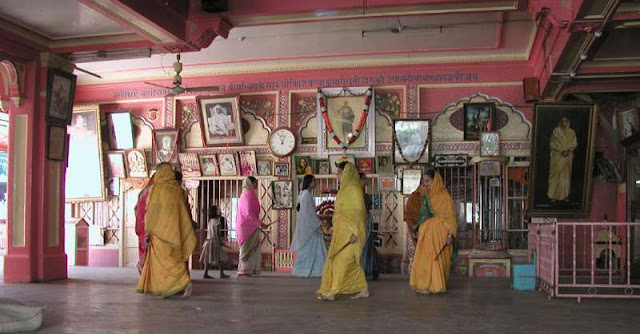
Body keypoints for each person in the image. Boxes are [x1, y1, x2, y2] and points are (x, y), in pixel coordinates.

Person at [137, 163, 197, 298]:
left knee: (161, 264)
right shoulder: (178, 191)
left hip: (158, 235)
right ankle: (176, 286)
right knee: (174, 261)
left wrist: (147, 232)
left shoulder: (153, 190)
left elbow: (150, 213)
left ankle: (169, 287)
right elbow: (184, 214)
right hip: (174, 234)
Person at [316, 161, 369, 300]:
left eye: (339, 172)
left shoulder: (354, 190)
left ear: (347, 173)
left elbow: (358, 215)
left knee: (341, 261)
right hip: (340, 234)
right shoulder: (343, 190)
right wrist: (334, 228)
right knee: (343, 261)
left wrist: (355, 234)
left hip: (352, 234)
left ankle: (333, 292)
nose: (337, 175)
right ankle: (363, 288)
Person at [404, 168, 457, 294]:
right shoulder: (426, 196)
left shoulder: (444, 196)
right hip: (426, 232)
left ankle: (435, 285)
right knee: (424, 258)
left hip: (440, 233)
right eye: (424, 181)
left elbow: (450, 217)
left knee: (435, 258)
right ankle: (424, 285)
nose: (426, 184)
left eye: (428, 181)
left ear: (436, 181)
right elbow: (421, 214)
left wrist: (450, 235)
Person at [291, 175, 327, 277]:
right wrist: (318, 222)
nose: (316, 183)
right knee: (311, 250)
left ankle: (308, 270)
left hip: (307, 226)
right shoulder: (307, 195)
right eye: (314, 181)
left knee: (309, 250)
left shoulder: (303, 194)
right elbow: (309, 213)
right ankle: (310, 271)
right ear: (309, 182)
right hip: (310, 228)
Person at [236, 176, 267, 276]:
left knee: (253, 247)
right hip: (246, 227)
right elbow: (248, 213)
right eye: (255, 183)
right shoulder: (247, 195)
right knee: (246, 248)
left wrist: (258, 223)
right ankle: (244, 270)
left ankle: (250, 270)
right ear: (251, 183)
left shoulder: (250, 194)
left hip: (252, 225)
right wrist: (260, 223)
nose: (257, 184)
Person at [547, 116, 577, 202]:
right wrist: (561, 151)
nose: (564, 123)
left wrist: (568, 150)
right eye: (563, 121)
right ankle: (553, 196)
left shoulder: (571, 132)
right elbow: (552, 144)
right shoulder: (556, 131)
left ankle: (564, 196)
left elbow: (574, 143)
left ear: (568, 122)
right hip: (557, 157)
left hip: (567, 157)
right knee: (554, 175)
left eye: (566, 121)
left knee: (565, 177)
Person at [200, 205, 230, 279]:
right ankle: (221, 273)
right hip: (215, 241)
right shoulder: (217, 221)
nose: (220, 211)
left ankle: (206, 273)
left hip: (208, 241)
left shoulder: (210, 221)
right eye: (218, 210)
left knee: (209, 258)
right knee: (220, 258)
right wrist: (220, 242)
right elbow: (217, 233)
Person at [359, 172, 379, 281]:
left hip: (367, 220)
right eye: (364, 179)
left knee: (368, 245)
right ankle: (362, 272)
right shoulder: (357, 193)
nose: (366, 181)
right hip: (362, 220)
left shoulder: (364, 193)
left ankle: (368, 271)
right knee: (363, 245)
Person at [134, 179, 154, 274]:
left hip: (142, 227)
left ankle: (144, 274)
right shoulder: (155, 192)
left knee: (144, 252)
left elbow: (136, 209)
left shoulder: (142, 193)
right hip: (151, 228)